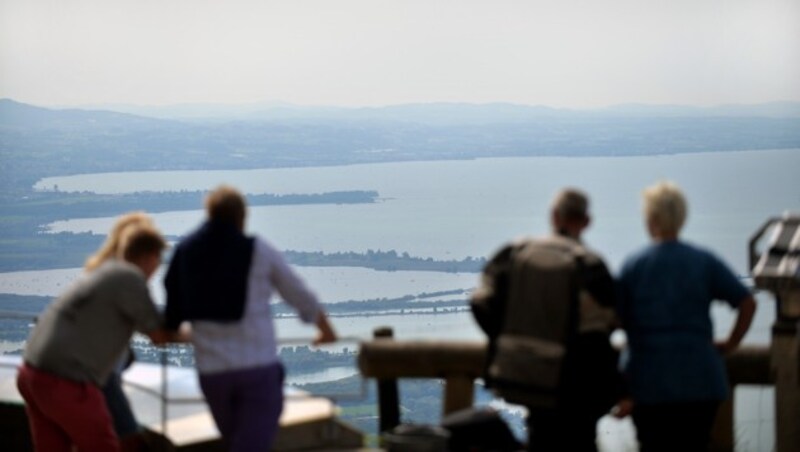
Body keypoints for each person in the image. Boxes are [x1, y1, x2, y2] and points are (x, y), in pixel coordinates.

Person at [164, 185, 338, 452]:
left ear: (209, 214)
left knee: (237, 443)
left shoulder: (186, 251)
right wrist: (325, 329)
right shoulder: (258, 250)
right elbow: (298, 293)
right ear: (241, 217)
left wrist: (174, 331)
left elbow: (172, 306)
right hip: (257, 369)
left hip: (213, 374)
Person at [471, 188, 620, 452]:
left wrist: (505, 338)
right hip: (575, 385)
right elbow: (609, 322)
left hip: (526, 377)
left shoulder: (515, 253)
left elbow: (480, 301)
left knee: (540, 436)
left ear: (553, 216)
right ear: (586, 222)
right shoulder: (590, 266)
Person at [614, 181, 756, 452]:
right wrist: (732, 342)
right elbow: (747, 302)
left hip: (649, 382)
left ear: (651, 219)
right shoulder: (703, 261)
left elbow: (615, 318)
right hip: (701, 379)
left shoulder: (634, 265)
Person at [17, 223, 174, 452]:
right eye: (158, 259)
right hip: (67, 382)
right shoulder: (129, 277)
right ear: (149, 255)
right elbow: (159, 334)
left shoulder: (100, 272)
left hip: (31, 374)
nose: (158, 266)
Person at [86, 212, 155, 450]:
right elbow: (155, 330)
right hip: (97, 376)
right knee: (128, 440)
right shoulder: (124, 279)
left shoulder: (99, 273)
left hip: (52, 372)